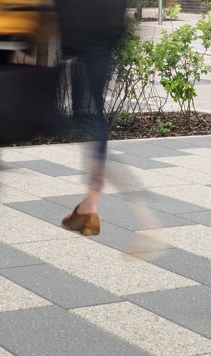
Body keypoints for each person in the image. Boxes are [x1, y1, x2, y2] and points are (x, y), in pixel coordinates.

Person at [54, 0, 128, 237]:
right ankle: (89, 207)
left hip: (80, 33)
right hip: (104, 33)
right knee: (92, 115)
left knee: (86, 115)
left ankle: (89, 208)